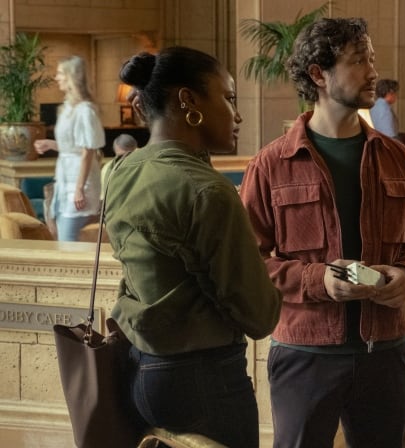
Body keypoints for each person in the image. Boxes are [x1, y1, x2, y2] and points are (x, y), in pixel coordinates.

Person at [240, 17, 405, 448]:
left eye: (372, 59)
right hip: (305, 353)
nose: (372, 72)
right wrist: (318, 280)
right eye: (357, 61)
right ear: (318, 75)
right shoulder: (271, 164)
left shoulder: (396, 157)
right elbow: (248, 262)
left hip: (385, 352)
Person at [105, 46, 282, 447]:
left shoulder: (122, 169)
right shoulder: (208, 192)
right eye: (229, 98)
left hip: (141, 371)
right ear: (188, 101)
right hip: (205, 379)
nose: (237, 115)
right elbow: (259, 317)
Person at [33, 55, 105, 241]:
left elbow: (88, 152)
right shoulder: (67, 108)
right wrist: (51, 144)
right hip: (65, 181)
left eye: (59, 73)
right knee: (63, 236)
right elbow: (74, 147)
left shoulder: (85, 111)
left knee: (68, 240)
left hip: (79, 183)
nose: (56, 78)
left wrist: (79, 188)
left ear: (72, 76)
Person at [100, 133, 137, 201]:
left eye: (129, 155)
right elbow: (104, 197)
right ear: (115, 152)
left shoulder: (143, 163)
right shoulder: (107, 168)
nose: (124, 159)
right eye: (120, 156)